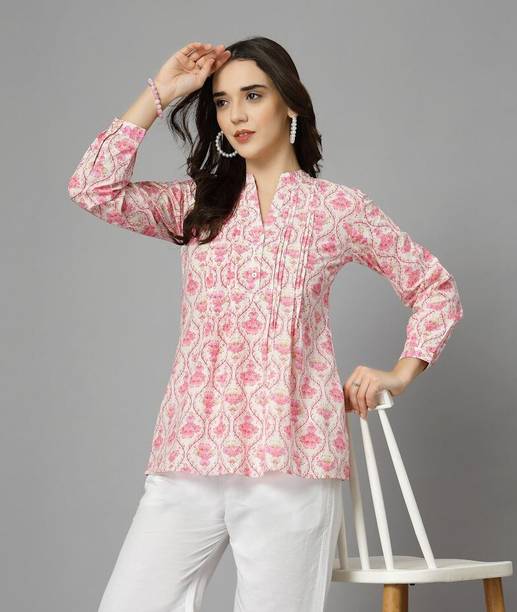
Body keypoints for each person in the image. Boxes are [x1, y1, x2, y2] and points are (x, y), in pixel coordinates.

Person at [67, 36, 463, 612]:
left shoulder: (338, 209)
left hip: (293, 459)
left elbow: (434, 288)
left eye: (253, 96)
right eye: (222, 102)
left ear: (290, 103)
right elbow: (92, 188)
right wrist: (162, 92)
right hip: (190, 453)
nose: (237, 115)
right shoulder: (196, 205)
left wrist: (400, 374)